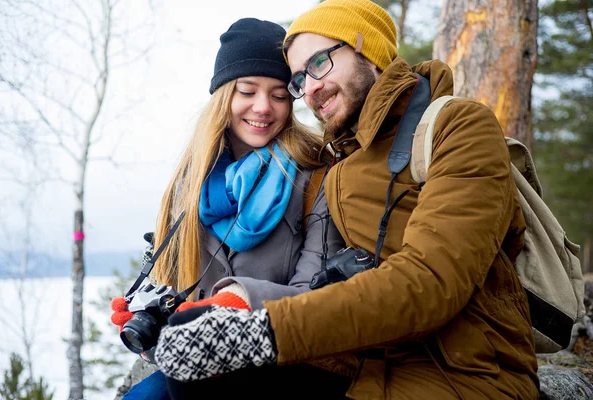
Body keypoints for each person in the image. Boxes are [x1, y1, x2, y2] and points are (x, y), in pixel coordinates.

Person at [153, 1, 540, 399]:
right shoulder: (340, 159)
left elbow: (432, 281)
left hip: (461, 374)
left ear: (366, 50)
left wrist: (266, 326)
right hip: (359, 364)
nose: (312, 87)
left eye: (319, 62)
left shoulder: (458, 126)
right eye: (300, 79)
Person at [110, 17, 348, 399]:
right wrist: (148, 324)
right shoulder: (188, 188)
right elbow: (178, 330)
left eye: (279, 94)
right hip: (202, 369)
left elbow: (317, 297)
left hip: (286, 363)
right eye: (247, 91)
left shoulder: (318, 174)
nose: (263, 107)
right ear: (224, 95)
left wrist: (239, 298)